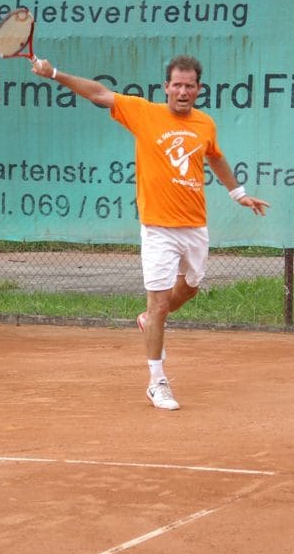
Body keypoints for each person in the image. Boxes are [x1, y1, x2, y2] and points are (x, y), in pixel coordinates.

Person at [31, 54, 269, 410]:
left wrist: (238, 193)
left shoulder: (206, 124)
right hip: (157, 228)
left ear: (199, 90)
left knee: (189, 289)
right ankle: (157, 381)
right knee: (158, 304)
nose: (183, 91)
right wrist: (53, 74)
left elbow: (215, 157)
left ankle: (148, 320)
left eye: (190, 85)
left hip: (195, 226)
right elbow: (99, 93)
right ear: (166, 88)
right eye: (177, 84)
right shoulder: (144, 112)